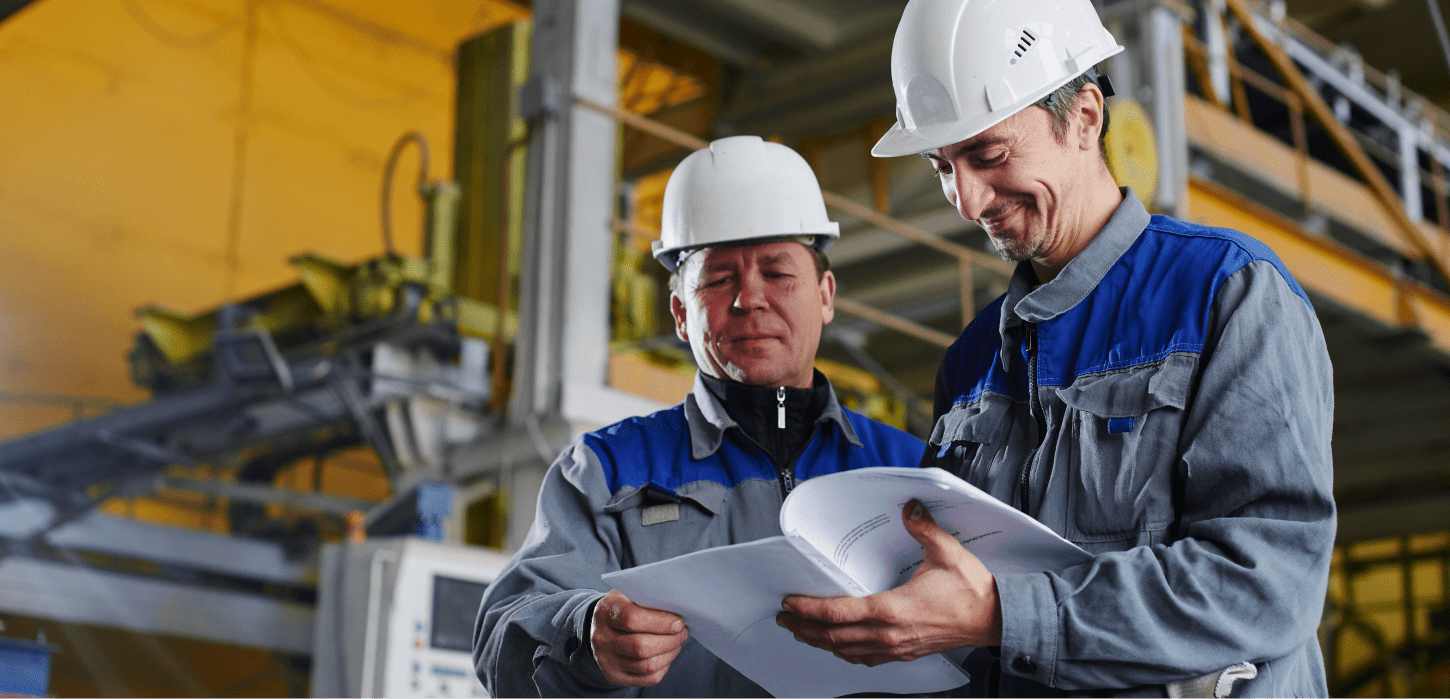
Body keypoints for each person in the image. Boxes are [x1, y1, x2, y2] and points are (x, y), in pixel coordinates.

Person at [775, 0, 1336, 697]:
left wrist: (1001, 615)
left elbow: (1265, 582)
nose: (967, 200)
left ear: (1085, 117)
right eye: (941, 165)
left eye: (987, 154)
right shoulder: (972, 357)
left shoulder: (1228, 294)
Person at [473, 135, 926, 697]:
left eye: (778, 272)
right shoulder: (604, 471)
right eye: (718, 279)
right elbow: (499, 641)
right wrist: (583, 631)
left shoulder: (911, 468)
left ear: (826, 295)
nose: (749, 299)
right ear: (681, 313)